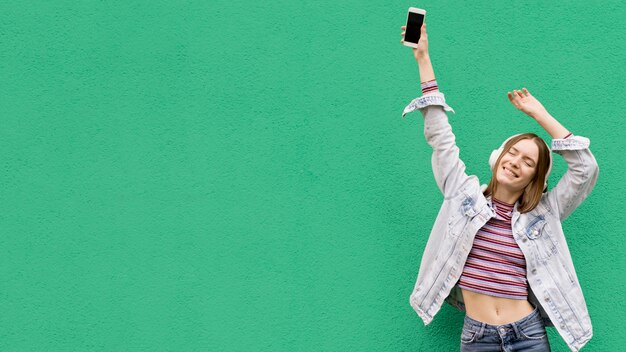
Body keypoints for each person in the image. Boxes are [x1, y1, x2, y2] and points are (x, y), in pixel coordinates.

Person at [400, 22, 599, 352]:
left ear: (536, 178)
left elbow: (585, 169)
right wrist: (423, 59)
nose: (516, 162)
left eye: (528, 162)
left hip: (528, 335)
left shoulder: (545, 212)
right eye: (513, 152)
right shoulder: (461, 194)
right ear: (499, 157)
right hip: (477, 336)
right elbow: (440, 137)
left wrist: (540, 115)